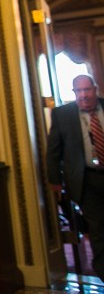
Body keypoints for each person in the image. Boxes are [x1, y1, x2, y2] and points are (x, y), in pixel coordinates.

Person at [47, 74, 104, 280]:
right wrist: (55, 181)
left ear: (95, 89)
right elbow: (53, 150)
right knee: (97, 230)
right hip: (86, 180)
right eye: (78, 91)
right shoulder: (63, 115)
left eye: (87, 90)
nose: (83, 95)